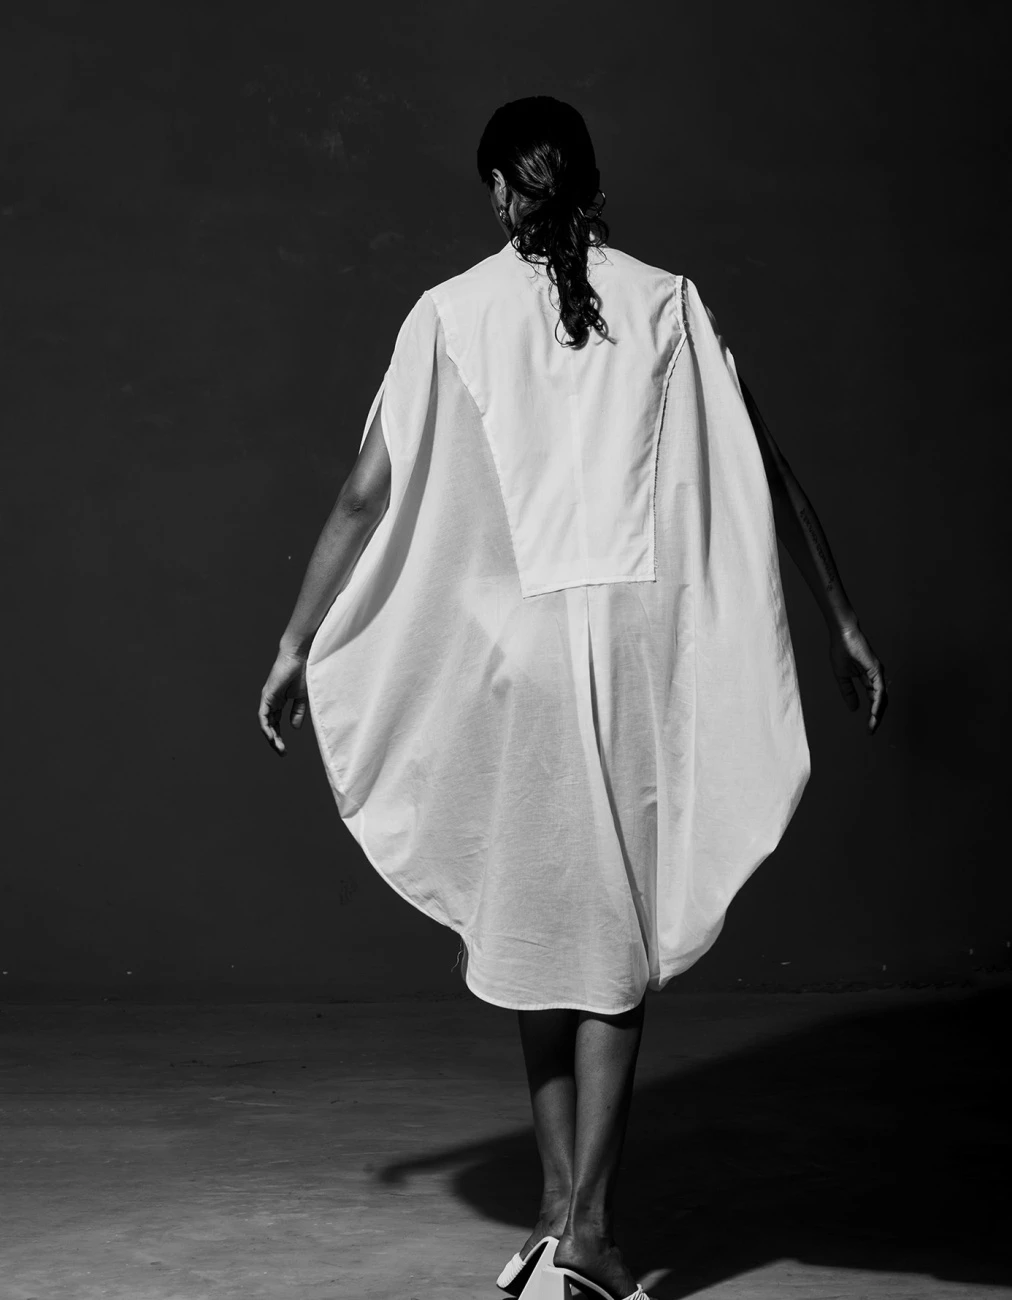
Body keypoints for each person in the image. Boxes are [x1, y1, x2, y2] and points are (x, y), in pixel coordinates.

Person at [258, 96, 887, 1300]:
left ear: (501, 191)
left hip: (522, 652)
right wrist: (841, 620)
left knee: (548, 926)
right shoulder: (667, 301)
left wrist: (295, 643)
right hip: (636, 652)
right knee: (605, 934)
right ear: (590, 183)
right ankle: (581, 1229)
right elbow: (763, 470)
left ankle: (568, 1223)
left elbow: (363, 495)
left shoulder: (453, 310)